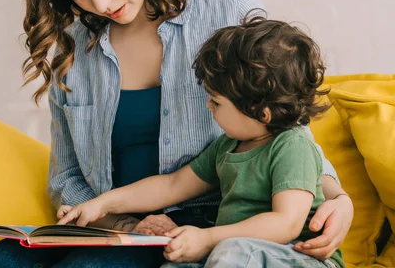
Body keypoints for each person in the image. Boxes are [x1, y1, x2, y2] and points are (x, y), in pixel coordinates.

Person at [0, 0, 353, 268]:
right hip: (117, 226)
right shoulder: (72, 52)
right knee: (5, 258)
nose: (100, 3)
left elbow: (285, 125)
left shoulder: (225, 12)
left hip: (204, 223)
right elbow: (67, 178)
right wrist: (119, 221)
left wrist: (339, 200)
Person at [58, 15, 346, 268]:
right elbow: (172, 185)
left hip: (297, 257)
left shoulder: (291, 147)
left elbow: (287, 223)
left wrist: (207, 238)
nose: (208, 107)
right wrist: (103, 203)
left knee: (232, 252)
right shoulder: (227, 146)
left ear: (261, 112)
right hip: (232, 253)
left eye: (216, 102)